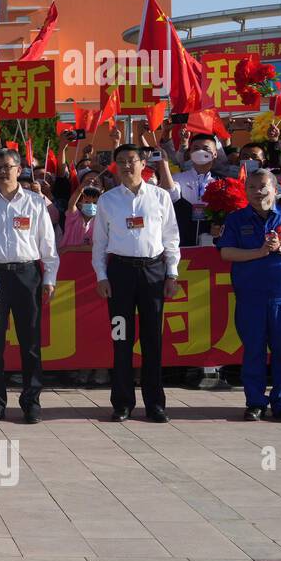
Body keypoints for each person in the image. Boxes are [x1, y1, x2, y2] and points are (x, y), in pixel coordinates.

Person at [92, 143, 181, 423]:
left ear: (144, 163)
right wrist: (102, 276)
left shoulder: (160, 197)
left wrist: (172, 273)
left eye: (132, 160)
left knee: (153, 342)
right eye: (121, 161)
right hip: (120, 274)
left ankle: (155, 404)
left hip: (153, 273)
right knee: (121, 340)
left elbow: (171, 238)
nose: (127, 166)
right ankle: (122, 403)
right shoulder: (107, 201)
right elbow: (99, 244)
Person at [218, 169, 281, 422]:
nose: (257, 192)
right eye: (251, 187)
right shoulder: (237, 219)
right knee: (253, 351)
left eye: (262, 187)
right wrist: (259, 253)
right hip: (250, 297)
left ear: (275, 189)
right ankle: (255, 402)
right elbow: (226, 252)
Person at [0, 148, 59, 424]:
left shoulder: (35, 202)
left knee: (30, 342)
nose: (0, 171)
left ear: (18, 168)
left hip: (27, 275)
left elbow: (48, 245)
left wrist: (49, 279)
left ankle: (31, 402)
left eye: (6, 166)